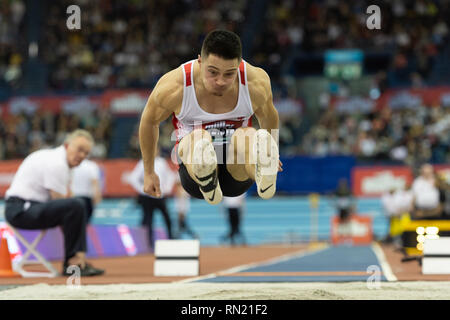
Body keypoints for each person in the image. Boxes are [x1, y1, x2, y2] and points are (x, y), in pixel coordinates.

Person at [139, 29, 283, 205]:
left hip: (236, 169)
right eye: (213, 72)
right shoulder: (175, 86)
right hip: (194, 173)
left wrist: (272, 152)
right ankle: (206, 177)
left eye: (229, 74)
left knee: (247, 135)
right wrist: (149, 172)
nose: (220, 81)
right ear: (200, 61)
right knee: (200, 137)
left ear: (238, 66)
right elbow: (149, 121)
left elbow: (269, 116)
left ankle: (261, 173)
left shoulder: (255, 83)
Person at [4, 129, 104, 276]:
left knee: (77, 205)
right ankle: (74, 262)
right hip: (20, 210)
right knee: (76, 205)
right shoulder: (57, 163)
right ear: (67, 145)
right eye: (80, 150)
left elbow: (66, 203)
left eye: (86, 153)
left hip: (32, 207)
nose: (82, 156)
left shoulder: (64, 163)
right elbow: (61, 201)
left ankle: (75, 261)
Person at [126, 154, 175, 249]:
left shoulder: (162, 162)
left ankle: (171, 238)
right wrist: (143, 189)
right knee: (148, 220)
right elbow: (133, 178)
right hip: (147, 197)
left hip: (160, 195)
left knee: (167, 218)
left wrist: (167, 189)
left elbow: (170, 176)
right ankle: (149, 244)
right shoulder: (143, 162)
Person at [70, 157, 103, 223]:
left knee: (73, 223)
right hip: (86, 199)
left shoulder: (71, 164)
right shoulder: (91, 166)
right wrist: (97, 197)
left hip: (73, 197)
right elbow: (95, 183)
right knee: (84, 224)